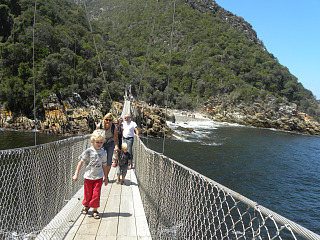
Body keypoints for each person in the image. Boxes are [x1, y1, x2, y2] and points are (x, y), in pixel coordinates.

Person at [72, 129, 108, 219]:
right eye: (97, 142)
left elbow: (104, 165)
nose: (99, 144)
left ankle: (95, 210)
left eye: (101, 142)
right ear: (92, 141)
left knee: (96, 194)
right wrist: (76, 174)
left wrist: (106, 177)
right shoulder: (88, 151)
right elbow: (80, 162)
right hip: (88, 177)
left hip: (98, 177)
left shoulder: (103, 153)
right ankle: (86, 206)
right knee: (88, 193)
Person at [96, 113, 119, 178]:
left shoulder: (114, 128)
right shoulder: (99, 126)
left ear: (112, 121)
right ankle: (99, 175)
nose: (108, 122)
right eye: (107, 120)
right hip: (101, 142)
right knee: (99, 159)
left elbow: (116, 138)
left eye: (110, 120)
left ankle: (106, 176)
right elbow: (95, 136)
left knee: (109, 161)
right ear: (104, 119)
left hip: (110, 143)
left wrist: (116, 146)